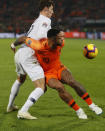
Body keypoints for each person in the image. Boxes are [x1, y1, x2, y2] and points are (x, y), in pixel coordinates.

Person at [24, 28, 103, 119]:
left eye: (63, 37)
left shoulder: (61, 44)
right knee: (60, 88)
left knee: (72, 81)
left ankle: (92, 105)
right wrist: (14, 44)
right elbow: (24, 39)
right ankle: (79, 111)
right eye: (60, 37)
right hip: (48, 73)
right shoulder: (38, 46)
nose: (63, 39)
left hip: (59, 68)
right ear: (53, 38)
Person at [7, 0, 54, 120]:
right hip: (29, 54)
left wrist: (13, 44)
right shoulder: (46, 20)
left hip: (20, 53)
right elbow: (42, 39)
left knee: (20, 79)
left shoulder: (36, 21)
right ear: (46, 9)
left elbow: (25, 37)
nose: (52, 12)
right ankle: (23, 111)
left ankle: (10, 106)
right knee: (41, 86)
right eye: (51, 9)